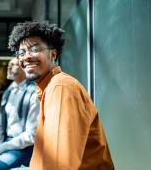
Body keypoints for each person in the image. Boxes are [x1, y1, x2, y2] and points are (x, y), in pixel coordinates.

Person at [8, 21, 114, 170]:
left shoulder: (60, 88)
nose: (26, 57)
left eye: (34, 49)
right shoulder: (48, 88)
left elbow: (59, 165)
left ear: (53, 54)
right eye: (22, 52)